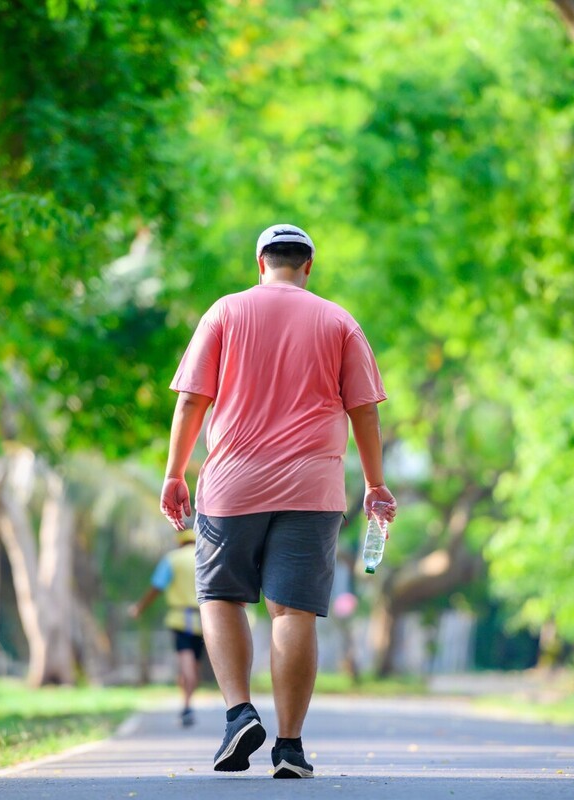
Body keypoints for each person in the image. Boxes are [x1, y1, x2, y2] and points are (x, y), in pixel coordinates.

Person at [159, 223, 397, 779]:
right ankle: (289, 748)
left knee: (219, 596)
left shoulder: (224, 312)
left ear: (259, 261)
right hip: (313, 490)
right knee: (293, 612)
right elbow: (365, 411)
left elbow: (193, 400)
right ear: (308, 265)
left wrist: (174, 473)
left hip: (231, 484)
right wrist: (375, 484)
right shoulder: (339, 321)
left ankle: (239, 711)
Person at [128, 529, 205, 727]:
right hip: (204, 619)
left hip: (180, 619)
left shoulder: (172, 559)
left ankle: (187, 705)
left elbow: (156, 587)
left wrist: (140, 607)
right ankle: (188, 701)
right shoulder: (205, 557)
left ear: (180, 541)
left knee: (185, 661)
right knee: (194, 663)